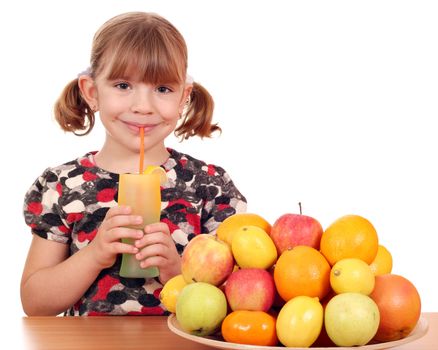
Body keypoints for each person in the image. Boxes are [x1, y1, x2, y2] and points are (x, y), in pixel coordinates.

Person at [21, 12, 247, 316]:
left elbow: (237, 301)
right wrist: (95, 255)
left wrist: (176, 271)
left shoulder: (209, 186)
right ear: (91, 91)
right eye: (123, 85)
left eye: (163, 89)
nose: (142, 107)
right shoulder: (62, 185)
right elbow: (35, 303)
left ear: (184, 98)